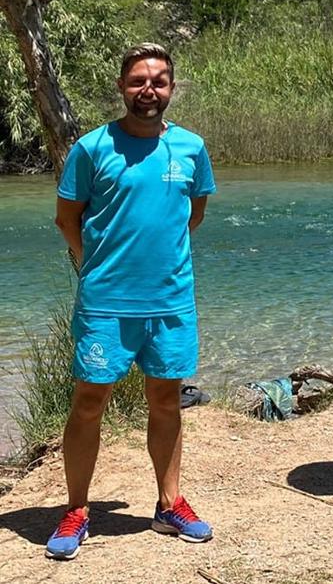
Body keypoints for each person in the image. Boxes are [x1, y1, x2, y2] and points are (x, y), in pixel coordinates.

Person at [46, 43, 216, 560]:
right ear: (122, 87)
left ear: (171, 88)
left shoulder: (190, 147)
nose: (150, 89)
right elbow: (66, 219)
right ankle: (77, 510)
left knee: (166, 401)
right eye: (139, 80)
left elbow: (195, 214)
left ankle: (169, 505)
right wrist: (95, 266)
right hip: (105, 304)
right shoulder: (93, 147)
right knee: (88, 403)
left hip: (169, 302)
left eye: (160, 81)